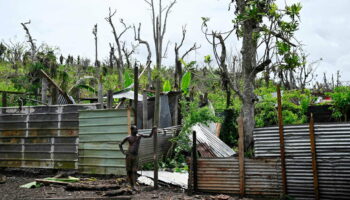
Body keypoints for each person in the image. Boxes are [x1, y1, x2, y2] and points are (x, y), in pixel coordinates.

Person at [119, 125, 157, 189]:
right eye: (135, 129)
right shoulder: (128, 137)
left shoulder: (139, 136)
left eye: (137, 129)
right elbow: (120, 144)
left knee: (134, 170)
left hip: (135, 156)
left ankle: (134, 185)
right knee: (129, 170)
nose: (137, 130)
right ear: (132, 130)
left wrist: (153, 130)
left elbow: (149, 136)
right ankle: (130, 184)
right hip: (129, 156)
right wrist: (123, 152)